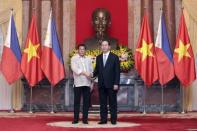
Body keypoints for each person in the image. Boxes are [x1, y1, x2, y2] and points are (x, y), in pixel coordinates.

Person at [93, 40, 120, 125]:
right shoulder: (98, 57)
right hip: (101, 84)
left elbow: (117, 72)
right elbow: (97, 70)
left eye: (105, 45)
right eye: (102, 45)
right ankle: (103, 119)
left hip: (112, 84)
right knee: (103, 103)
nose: (104, 47)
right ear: (101, 47)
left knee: (112, 103)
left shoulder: (114, 57)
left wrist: (116, 83)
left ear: (109, 47)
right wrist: (91, 74)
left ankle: (113, 120)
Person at [71, 44, 93, 124]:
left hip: (87, 83)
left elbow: (91, 70)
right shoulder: (74, 58)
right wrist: (84, 73)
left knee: (86, 103)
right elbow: (75, 69)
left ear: (85, 50)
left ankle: (85, 119)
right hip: (78, 83)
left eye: (83, 49)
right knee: (77, 102)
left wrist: (91, 75)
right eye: (80, 49)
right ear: (78, 50)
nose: (82, 51)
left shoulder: (88, 58)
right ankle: (76, 119)